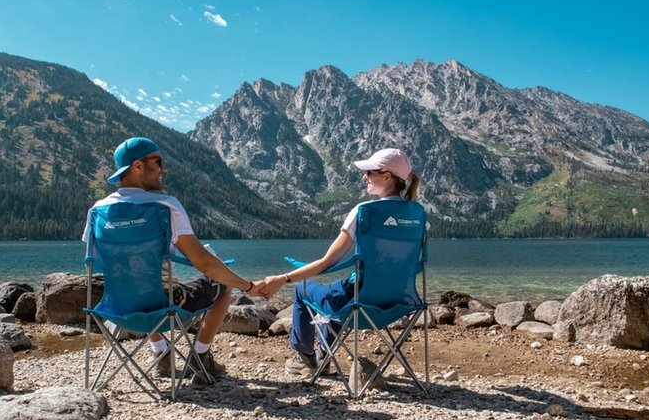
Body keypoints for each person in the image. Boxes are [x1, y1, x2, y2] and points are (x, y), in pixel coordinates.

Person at [83, 136, 262, 384]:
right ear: (137, 166)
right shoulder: (165, 206)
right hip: (161, 306)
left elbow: (100, 260)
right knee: (221, 284)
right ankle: (200, 356)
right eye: (158, 162)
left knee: (143, 285)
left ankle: (162, 355)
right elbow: (206, 263)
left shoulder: (98, 211)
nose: (163, 169)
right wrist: (249, 286)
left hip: (117, 307)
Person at [257, 148, 421, 376]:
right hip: (398, 303)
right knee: (338, 290)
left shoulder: (364, 212)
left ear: (386, 177)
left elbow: (326, 262)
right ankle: (325, 352)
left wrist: (282, 279)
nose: (364, 177)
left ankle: (305, 357)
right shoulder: (418, 215)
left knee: (303, 289)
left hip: (359, 305)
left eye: (369, 172)